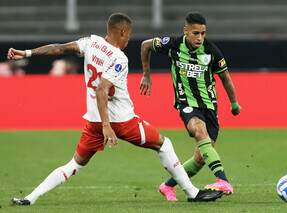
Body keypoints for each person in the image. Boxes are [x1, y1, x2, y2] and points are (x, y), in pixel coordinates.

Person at [8, 13, 223, 206]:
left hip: (92, 120)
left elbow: (60, 48)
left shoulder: (91, 43)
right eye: (128, 35)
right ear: (121, 32)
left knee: (74, 164)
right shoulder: (119, 58)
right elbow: (103, 90)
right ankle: (193, 192)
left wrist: (27, 53)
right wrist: (107, 126)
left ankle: (30, 198)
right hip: (121, 121)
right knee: (164, 144)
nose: (129, 39)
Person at [140, 12, 241, 201]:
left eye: (203, 33)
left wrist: (234, 103)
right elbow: (145, 45)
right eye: (196, 33)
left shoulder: (211, 51)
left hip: (209, 106)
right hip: (186, 103)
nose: (200, 38)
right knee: (198, 130)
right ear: (185, 31)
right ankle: (222, 179)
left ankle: (167, 186)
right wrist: (146, 74)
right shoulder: (173, 45)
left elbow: (225, 77)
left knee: (200, 157)